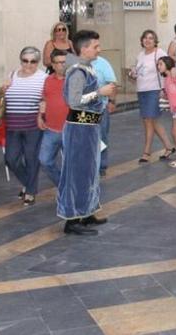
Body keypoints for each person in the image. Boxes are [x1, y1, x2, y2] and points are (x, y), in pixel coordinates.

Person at [59, 30, 116, 236]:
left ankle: (87, 211)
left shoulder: (87, 68)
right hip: (79, 129)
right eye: (95, 46)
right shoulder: (77, 72)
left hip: (90, 127)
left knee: (90, 171)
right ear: (84, 49)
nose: (98, 50)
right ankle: (72, 219)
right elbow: (73, 101)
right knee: (77, 173)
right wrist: (100, 93)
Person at [4, 46, 48, 205]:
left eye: (33, 61)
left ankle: (30, 191)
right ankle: (28, 184)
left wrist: (42, 115)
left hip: (32, 125)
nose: (28, 65)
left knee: (31, 158)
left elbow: (46, 100)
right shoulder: (11, 75)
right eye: (25, 61)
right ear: (20, 60)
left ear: (38, 62)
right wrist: (3, 89)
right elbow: (4, 98)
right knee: (10, 159)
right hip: (13, 125)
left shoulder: (44, 78)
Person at [129, 30, 175, 162]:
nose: (147, 40)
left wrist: (165, 88)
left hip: (154, 90)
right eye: (145, 38)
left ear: (155, 41)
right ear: (142, 40)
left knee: (150, 121)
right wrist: (132, 73)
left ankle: (146, 152)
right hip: (142, 91)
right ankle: (168, 146)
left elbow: (168, 69)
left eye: (150, 38)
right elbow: (138, 72)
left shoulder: (159, 53)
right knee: (150, 121)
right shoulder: (140, 55)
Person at [38, 49, 70, 186]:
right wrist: (40, 116)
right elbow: (43, 100)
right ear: (52, 64)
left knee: (72, 164)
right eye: (58, 63)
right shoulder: (47, 80)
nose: (61, 65)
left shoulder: (76, 79)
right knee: (44, 160)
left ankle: (73, 192)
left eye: (64, 62)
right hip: (51, 129)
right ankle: (62, 185)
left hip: (71, 129)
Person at [91, 53, 117, 176]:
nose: (98, 49)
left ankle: (101, 165)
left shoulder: (103, 63)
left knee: (101, 136)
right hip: (82, 109)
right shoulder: (75, 64)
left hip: (100, 107)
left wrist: (111, 101)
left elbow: (112, 83)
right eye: (95, 46)